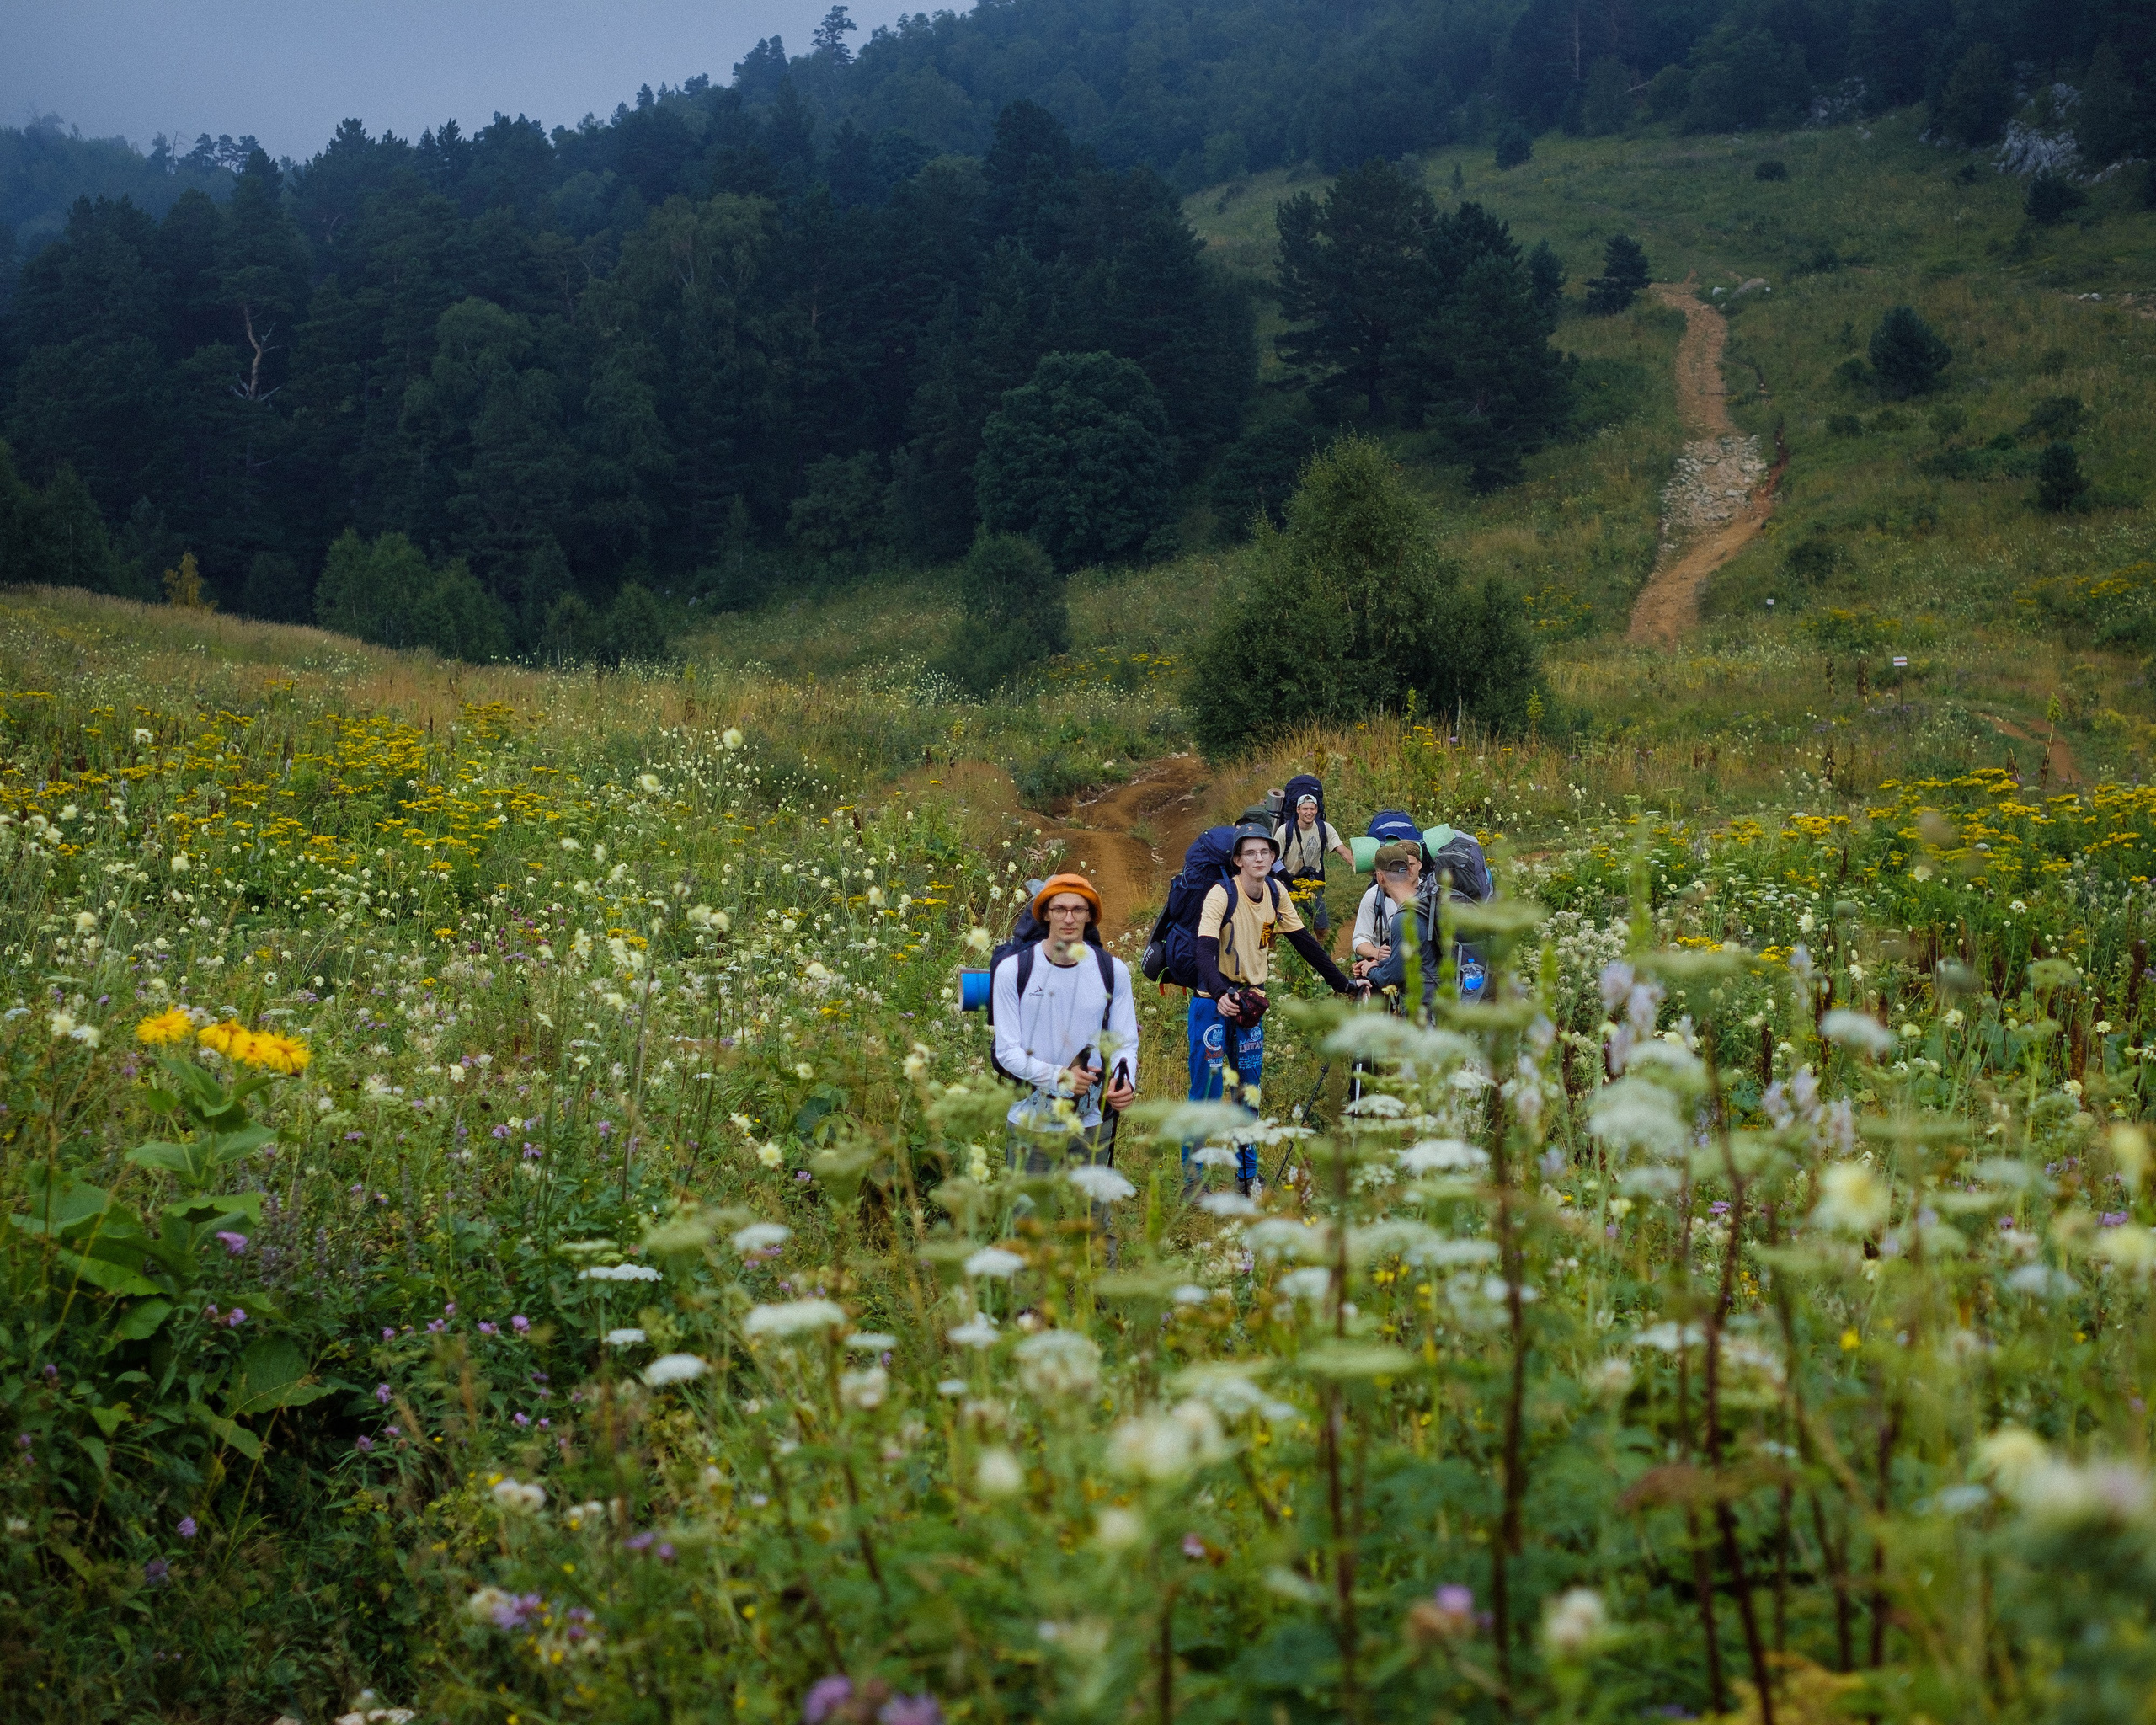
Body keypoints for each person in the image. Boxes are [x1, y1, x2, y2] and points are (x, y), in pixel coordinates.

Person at [1187, 820, 1364, 1197]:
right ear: (1237, 859)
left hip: (1250, 1004)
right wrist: (1220, 992)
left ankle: (1247, 1177)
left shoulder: (1275, 891)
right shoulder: (1220, 894)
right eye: (1250, 852)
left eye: (1265, 851)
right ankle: (1194, 1180)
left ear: (1272, 856)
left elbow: (1305, 943)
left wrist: (1342, 983)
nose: (1258, 858)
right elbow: (1202, 949)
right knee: (1207, 1089)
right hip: (1211, 1004)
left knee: (1248, 1092)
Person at [992, 875, 1139, 1244]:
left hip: (1092, 1118)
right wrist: (1059, 1076)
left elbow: (1125, 1042)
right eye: (1059, 908)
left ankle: (1099, 1295)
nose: (1069, 918)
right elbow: (1006, 1051)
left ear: (1090, 916)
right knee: (1027, 1220)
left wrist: (1125, 1081)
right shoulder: (1015, 970)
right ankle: (1027, 1302)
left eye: (1078, 909)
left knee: (1094, 1218)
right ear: (1045, 914)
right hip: (1030, 1118)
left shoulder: (1112, 970)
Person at [1273, 792, 1354, 937]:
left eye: (1312, 809)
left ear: (1317, 810)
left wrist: (1360, 865)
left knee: (1322, 929)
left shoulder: (1325, 828)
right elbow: (1274, 860)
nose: (1309, 812)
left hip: (1313, 883)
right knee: (1285, 930)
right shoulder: (1284, 831)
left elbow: (1343, 852)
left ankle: (1321, 958)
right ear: (1298, 810)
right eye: (1305, 809)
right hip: (1288, 882)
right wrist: (1291, 881)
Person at [1351, 845, 1419, 975]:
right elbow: (1359, 938)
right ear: (1409, 870)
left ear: (1380, 876)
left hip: (1391, 974)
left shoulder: (1426, 894)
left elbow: (1393, 975)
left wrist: (1371, 970)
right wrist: (1376, 953)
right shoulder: (1373, 896)